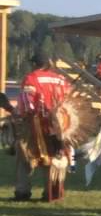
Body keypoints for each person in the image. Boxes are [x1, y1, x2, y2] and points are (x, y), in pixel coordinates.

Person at [13, 51, 78, 202]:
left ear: (34, 64)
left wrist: (19, 116)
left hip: (36, 124)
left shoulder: (31, 78)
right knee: (54, 156)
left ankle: (22, 191)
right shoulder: (61, 79)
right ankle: (51, 192)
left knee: (25, 155)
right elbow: (69, 101)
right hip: (58, 127)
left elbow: (27, 102)